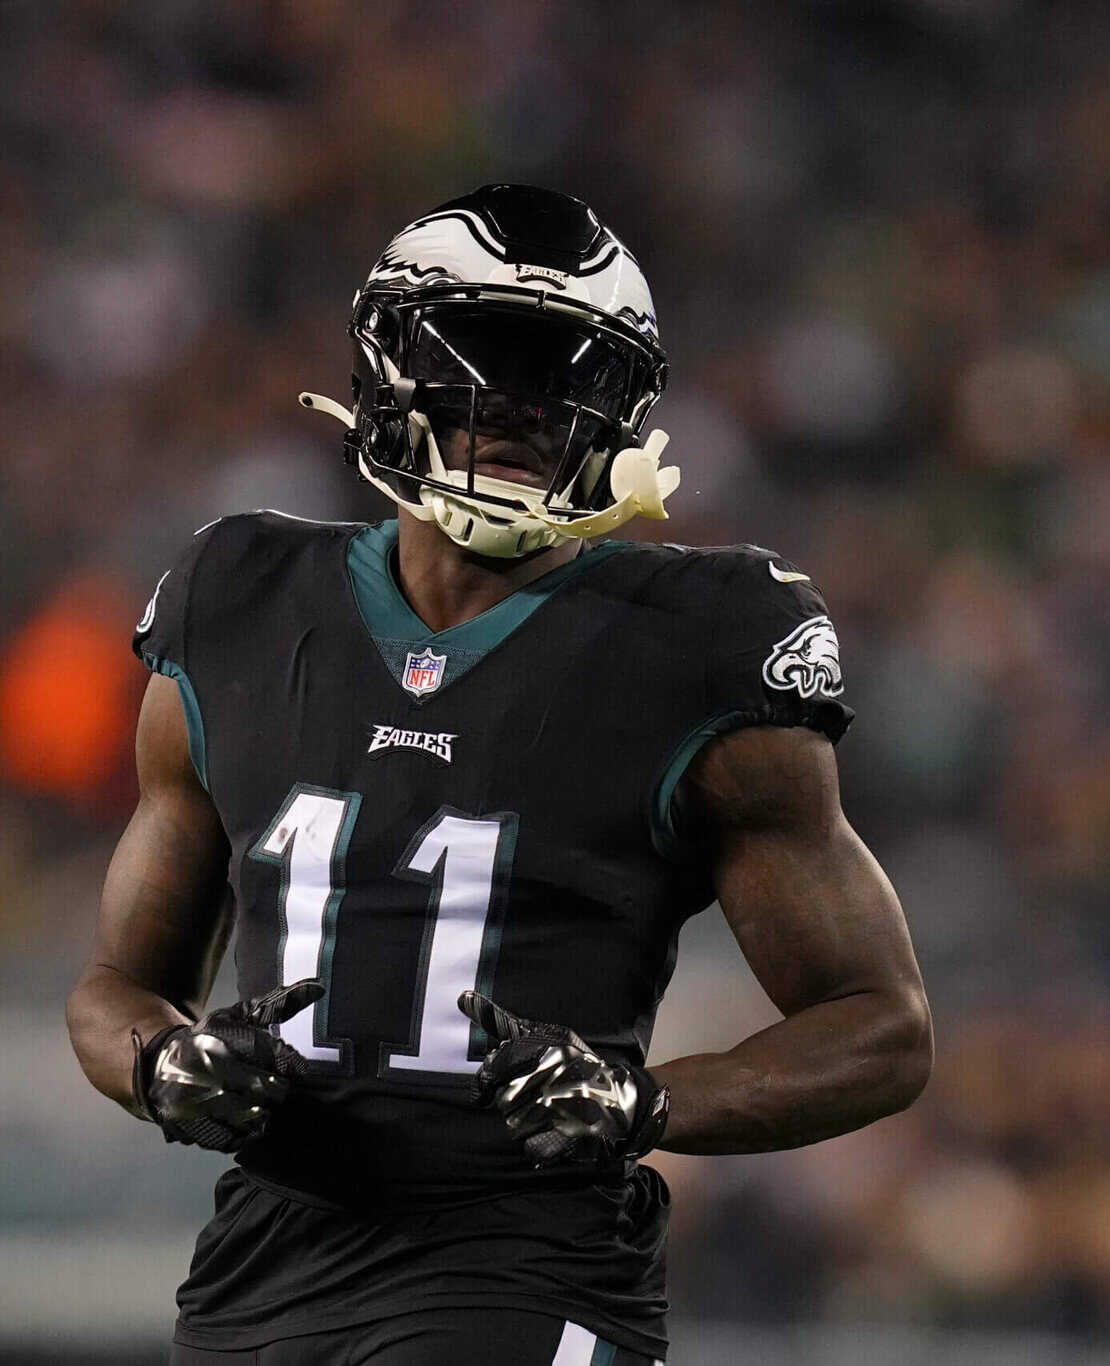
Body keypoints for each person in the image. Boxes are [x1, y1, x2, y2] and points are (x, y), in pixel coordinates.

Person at [66, 184, 932, 1366]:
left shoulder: (697, 639)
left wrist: (647, 1102)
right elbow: (119, 985)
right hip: (264, 1264)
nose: (525, 403)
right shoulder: (242, 596)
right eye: (490, 354)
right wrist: (167, 1065)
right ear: (387, 366)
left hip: (526, 1256)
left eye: (572, 371)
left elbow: (879, 1025)